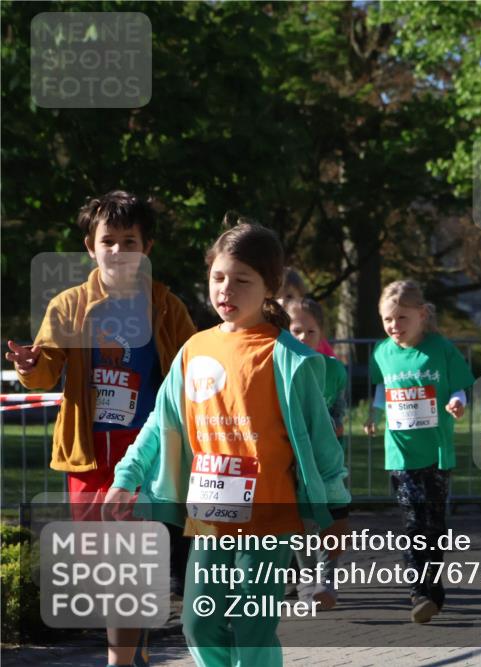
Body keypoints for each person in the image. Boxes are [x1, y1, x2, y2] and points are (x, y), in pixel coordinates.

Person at [104, 218, 350, 667]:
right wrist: (127, 477)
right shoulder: (194, 350)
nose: (226, 290)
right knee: (199, 624)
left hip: (269, 520)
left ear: (270, 286)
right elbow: (161, 423)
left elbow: (321, 443)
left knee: (253, 629)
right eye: (218, 277)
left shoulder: (288, 358)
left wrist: (336, 510)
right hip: (209, 520)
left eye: (242, 280)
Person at [5, 190, 196, 667]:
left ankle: (121, 658)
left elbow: (193, 364)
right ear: (90, 247)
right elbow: (46, 370)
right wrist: (30, 366)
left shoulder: (165, 306)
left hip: (146, 453)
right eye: (108, 241)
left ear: (147, 248)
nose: (118, 251)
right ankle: (134, 649)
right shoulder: (68, 305)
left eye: (130, 241)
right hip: (87, 455)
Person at [363, 279, 475, 624]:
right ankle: (418, 592)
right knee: (413, 521)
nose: (394, 326)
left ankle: (433, 586)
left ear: (422, 315)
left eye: (402, 318)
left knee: (434, 524)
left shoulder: (440, 349)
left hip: (437, 452)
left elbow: (459, 386)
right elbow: (382, 389)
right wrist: (374, 414)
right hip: (400, 454)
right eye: (387, 319)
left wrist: (457, 401)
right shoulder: (382, 352)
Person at [284, 297, 349, 609]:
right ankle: (306, 580)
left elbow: (339, 412)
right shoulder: (278, 368)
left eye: (311, 332)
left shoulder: (333, 370)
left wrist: (327, 426)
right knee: (302, 522)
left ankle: (326, 580)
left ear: (321, 333)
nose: (303, 338)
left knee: (331, 518)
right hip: (292, 461)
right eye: (296, 330)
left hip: (326, 462)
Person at [277, 267, 336, 357]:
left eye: (289, 296)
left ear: (301, 297)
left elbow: (331, 361)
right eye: (277, 296)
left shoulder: (313, 332)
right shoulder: (267, 330)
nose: (282, 302)